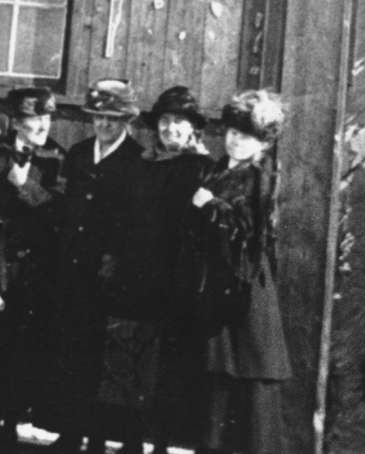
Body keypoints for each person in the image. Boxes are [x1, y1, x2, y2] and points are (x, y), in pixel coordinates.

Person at [108, 86, 214, 454]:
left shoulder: (202, 169)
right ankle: (132, 439)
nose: (170, 129)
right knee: (131, 358)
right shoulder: (140, 165)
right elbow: (122, 218)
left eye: (179, 123)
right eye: (165, 122)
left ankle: (163, 443)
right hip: (136, 276)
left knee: (169, 365)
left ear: (192, 130)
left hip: (178, 281)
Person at [0, 86, 66, 451]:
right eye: (34, 119)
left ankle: (16, 417)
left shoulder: (57, 160)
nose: (42, 126)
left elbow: (60, 213)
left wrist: (27, 187)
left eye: (47, 118)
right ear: (16, 122)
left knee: (27, 344)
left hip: (38, 268)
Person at [191, 90, 292, 454]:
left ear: (262, 143)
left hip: (245, 283)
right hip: (218, 283)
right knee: (221, 371)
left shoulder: (258, 178)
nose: (235, 140)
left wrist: (211, 206)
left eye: (245, 136)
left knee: (248, 370)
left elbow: (250, 232)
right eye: (232, 132)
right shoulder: (218, 169)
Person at [50, 78, 145, 454]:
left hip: (111, 276)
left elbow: (137, 224)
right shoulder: (78, 155)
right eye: (97, 117)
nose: (103, 125)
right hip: (73, 270)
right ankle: (72, 431)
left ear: (126, 120)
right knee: (72, 350)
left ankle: (103, 438)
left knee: (107, 359)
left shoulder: (138, 161)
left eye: (112, 118)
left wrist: (116, 261)